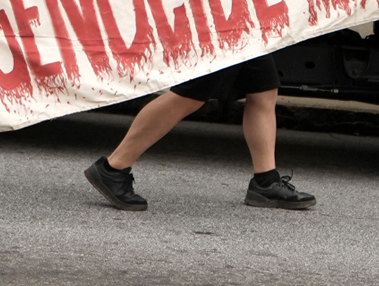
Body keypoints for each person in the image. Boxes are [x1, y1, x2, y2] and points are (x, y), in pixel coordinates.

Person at [83, 56, 316, 212]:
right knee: (192, 93)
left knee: (263, 87)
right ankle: (113, 168)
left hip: (243, 7)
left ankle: (266, 183)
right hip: (216, 6)